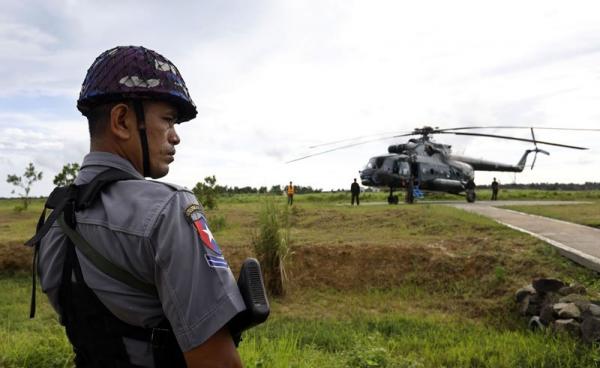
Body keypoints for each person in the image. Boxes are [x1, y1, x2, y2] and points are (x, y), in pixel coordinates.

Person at [28, 46, 246, 367]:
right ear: (121, 121)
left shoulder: (55, 219)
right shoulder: (169, 210)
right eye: (168, 120)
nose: (175, 137)